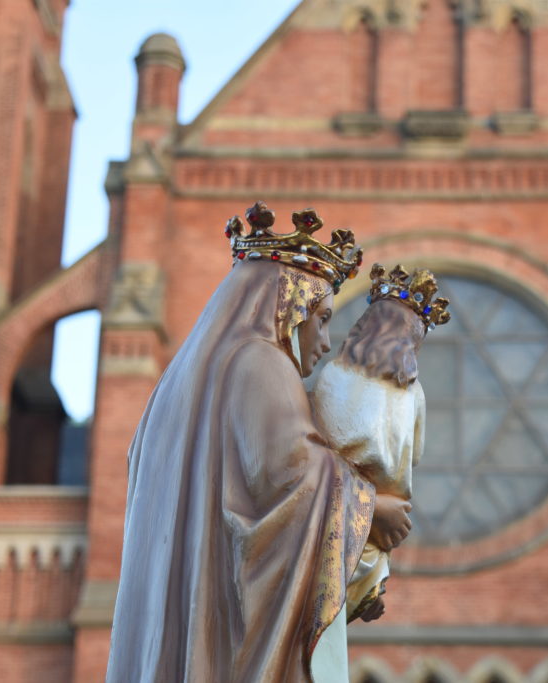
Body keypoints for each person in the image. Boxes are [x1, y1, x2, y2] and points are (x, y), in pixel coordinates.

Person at [105, 203, 412, 682]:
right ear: (289, 303)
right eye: (323, 317)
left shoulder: (183, 379)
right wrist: (371, 510)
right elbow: (286, 477)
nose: (326, 340)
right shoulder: (261, 362)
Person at [311, 265, 450, 624]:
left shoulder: (331, 373)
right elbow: (416, 454)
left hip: (336, 509)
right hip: (373, 516)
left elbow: (318, 434)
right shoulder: (413, 392)